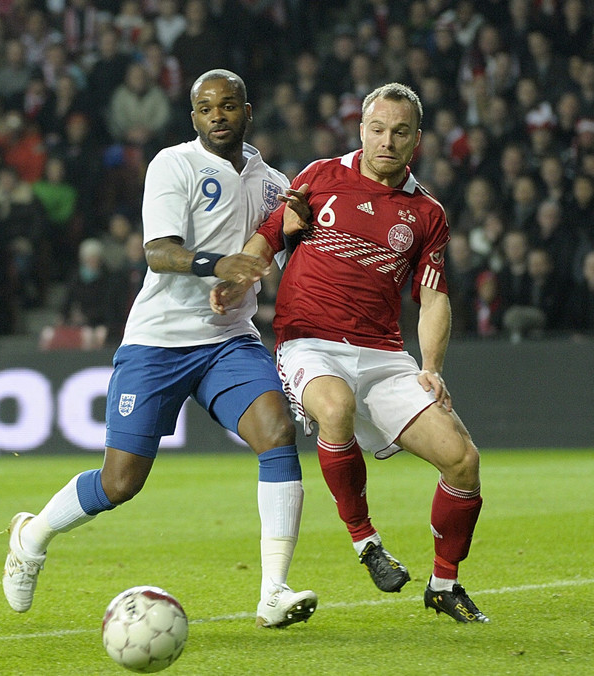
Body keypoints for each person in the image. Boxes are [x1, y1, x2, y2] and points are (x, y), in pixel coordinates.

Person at [3, 70, 319, 629]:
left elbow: (277, 255)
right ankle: (32, 535)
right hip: (159, 341)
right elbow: (158, 252)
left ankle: (273, 590)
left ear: (248, 111)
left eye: (226, 106)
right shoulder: (173, 164)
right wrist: (221, 266)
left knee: (276, 433)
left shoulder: (275, 183)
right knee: (120, 482)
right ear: (192, 117)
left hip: (227, 342)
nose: (216, 115)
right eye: (204, 108)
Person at [211, 82, 489, 623]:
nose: (387, 140)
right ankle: (367, 543)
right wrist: (239, 275)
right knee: (334, 408)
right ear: (361, 129)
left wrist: (431, 368)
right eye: (378, 128)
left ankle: (444, 583)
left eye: (400, 132)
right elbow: (269, 237)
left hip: (384, 355)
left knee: (463, 460)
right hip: (309, 343)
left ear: (417, 140)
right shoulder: (318, 177)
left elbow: (433, 298)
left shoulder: (426, 213)